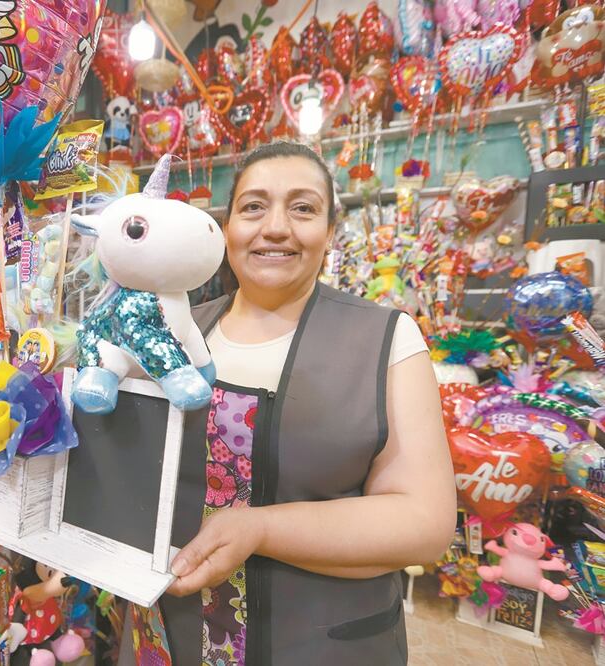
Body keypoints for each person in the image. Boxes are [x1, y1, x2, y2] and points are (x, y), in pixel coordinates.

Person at [143, 142, 456, 665]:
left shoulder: (385, 339)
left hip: (322, 644)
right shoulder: (177, 334)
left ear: (330, 232)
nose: (276, 228)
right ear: (227, 227)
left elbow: (424, 523)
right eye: (253, 207)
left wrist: (260, 529)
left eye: (303, 208)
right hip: (173, 632)